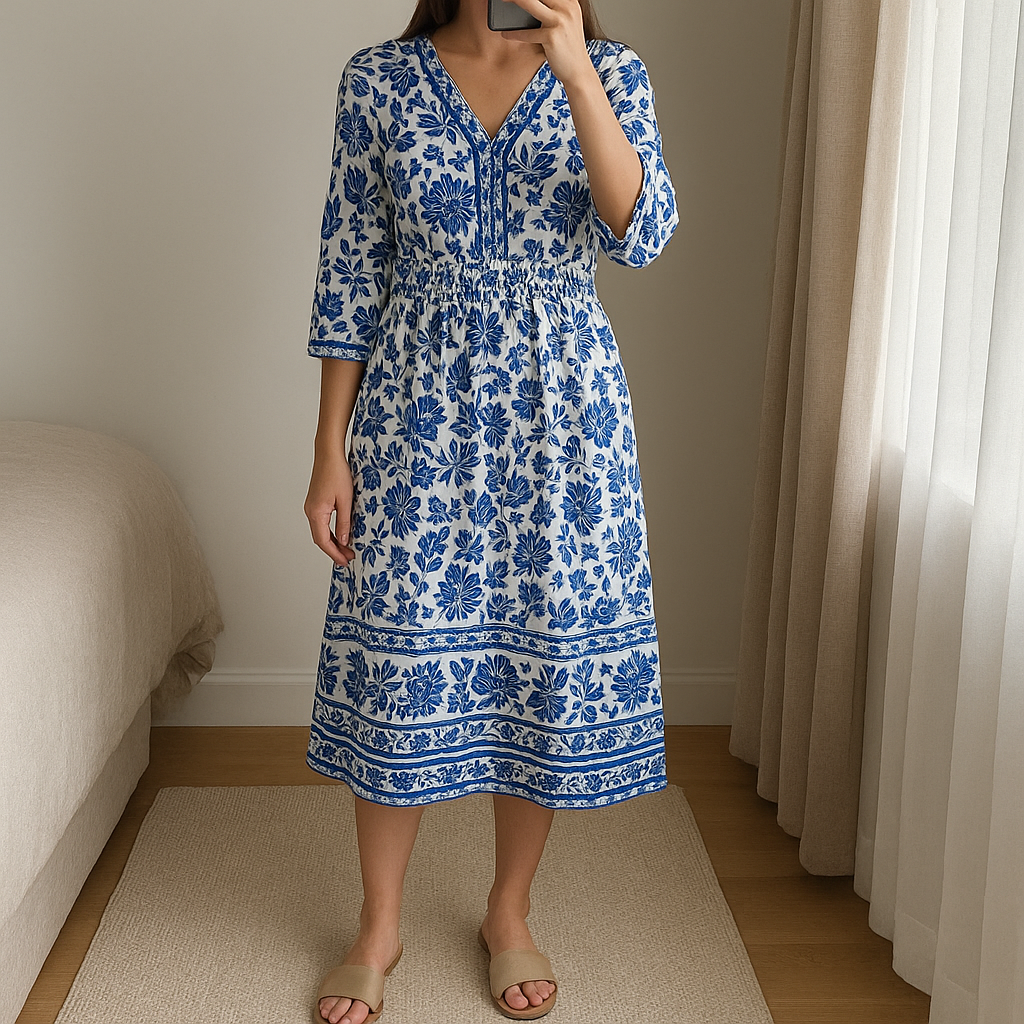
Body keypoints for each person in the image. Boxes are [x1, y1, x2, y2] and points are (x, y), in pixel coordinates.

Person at [303, 0, 678, 1020]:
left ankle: (507, 910)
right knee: (397, 672)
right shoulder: (379, 80)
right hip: (413, 409)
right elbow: (351, 271)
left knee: (537, 664)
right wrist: (327, 451)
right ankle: (377, 924)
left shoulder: (611, 74)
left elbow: (640, 234)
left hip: (563, 415)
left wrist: (576, 72)